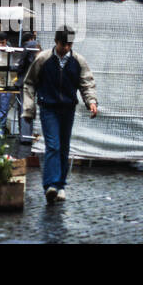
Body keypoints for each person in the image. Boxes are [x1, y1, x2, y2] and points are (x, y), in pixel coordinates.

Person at [22, 25, 98, 203]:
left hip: (67, 108)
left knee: (64, 147)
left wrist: (91, 102)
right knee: (53, 145)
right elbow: (29, 83)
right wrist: (28, 109)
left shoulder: (78, 61)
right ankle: (51, 185)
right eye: (63, 44)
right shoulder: (43, 59)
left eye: (69, 44)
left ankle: (61, 185)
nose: (66, 48)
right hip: (48, 107)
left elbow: (86, 83)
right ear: (56, 42)